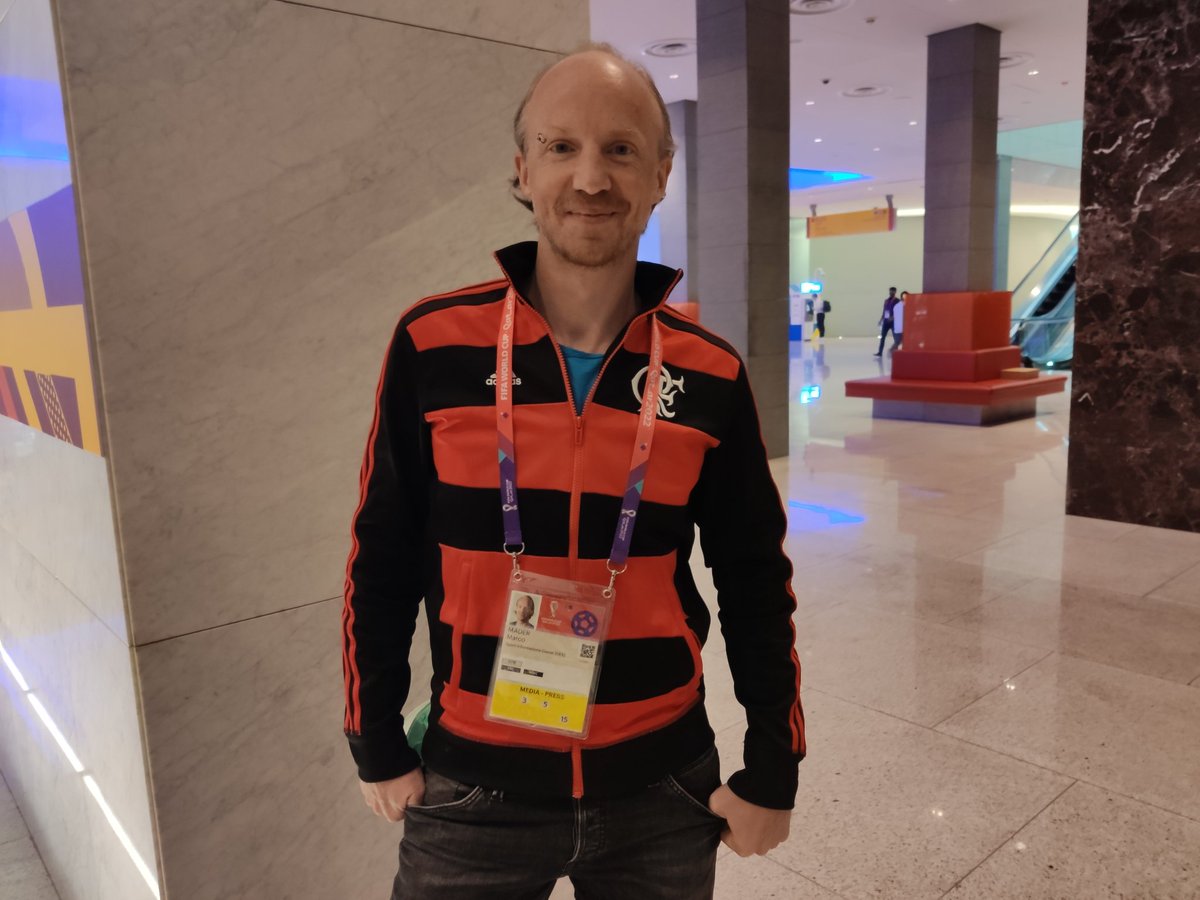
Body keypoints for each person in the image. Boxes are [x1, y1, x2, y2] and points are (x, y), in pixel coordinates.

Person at [342, 42, 805, 900]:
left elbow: (753, 575)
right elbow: (384, 555)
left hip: (664, 788)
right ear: (523, 169)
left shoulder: (708, 373)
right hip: (470, 788)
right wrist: (375, 737)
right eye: (562, 147)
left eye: (621, 149)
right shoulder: (433, 343)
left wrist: (773, 765)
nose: (591, 177)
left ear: (661, 173)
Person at [874, 286, 899, 356]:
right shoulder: (886, 301)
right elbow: (885, 311)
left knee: (896, 338)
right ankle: (880, 352)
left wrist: (893, 317)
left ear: (895, 292)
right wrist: (881, 319)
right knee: (882, 337)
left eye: (892, 291)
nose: (891, 292)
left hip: (893, 322)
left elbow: (898, 312)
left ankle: (896, 352)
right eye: (890, 291)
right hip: (886, 322)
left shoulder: (897, 301)